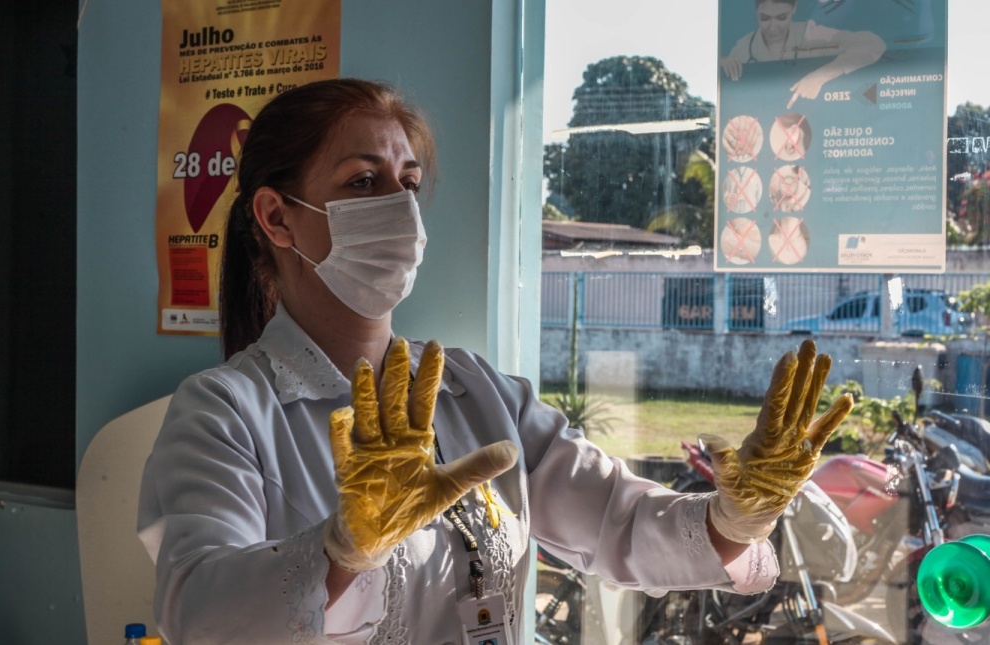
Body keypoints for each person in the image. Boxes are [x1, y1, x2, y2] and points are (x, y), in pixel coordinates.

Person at [137, 78, 853, 645]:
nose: (400, 208)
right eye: (362, 182)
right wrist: (342, 551)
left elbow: (617, 522)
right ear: (276, 216)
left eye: (408, 183)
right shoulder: (224, 411)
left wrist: (736, 517)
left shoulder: (475, 392)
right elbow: (198, 610)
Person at [720, 0, 886, 108]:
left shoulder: (810, 34)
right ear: (756, 13)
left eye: (781, 17)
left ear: (794, 9)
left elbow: (873, 44)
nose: (773, 27)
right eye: (764, 18)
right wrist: (723, 63)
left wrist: (820, 76)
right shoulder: (743, 48)